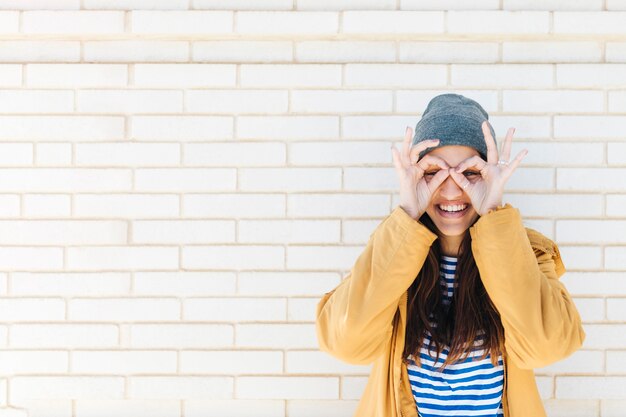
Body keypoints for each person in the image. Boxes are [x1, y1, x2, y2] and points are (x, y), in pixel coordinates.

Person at [315, 93, 585, 417]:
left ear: (489, 174)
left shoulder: (526, 251)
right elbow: (343, 341)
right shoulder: (394, 250)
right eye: (435, 172)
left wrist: (493, 214)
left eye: (468, 173)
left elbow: (549, 346)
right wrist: (407, 213)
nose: (453, 189)